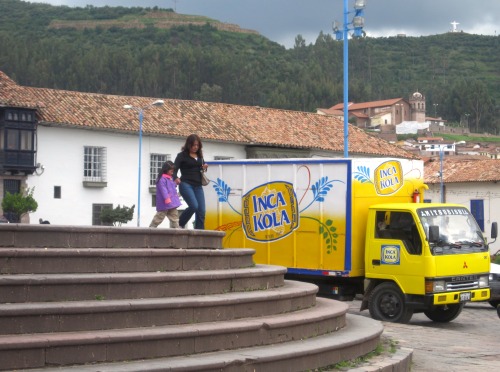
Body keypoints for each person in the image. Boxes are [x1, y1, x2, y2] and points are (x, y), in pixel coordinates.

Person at [173, 134, 208, 229]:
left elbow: (201, 169)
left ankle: (200, 233)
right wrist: (175, 177)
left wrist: (204, 167)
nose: (195, 147)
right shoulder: (182, 156)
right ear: (189, 145)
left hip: (198, 186)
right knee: (194, 206)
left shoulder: (199, 156)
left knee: (201, 211)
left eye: (197, 145)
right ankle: (180, 224)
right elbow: (174, 169)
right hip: (186, 184)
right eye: (193, 145)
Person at [149, 161, 181, 228]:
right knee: (159, 217)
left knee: (174, 217)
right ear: (166, 170)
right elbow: (164, 190)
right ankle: (151, 229)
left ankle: (176, 230)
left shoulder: (169, 178)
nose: (172, 172)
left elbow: (171, 187)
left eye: (173, 170)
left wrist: (175, 183)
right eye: (171, 170)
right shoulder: (161, 179)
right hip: (165, 203)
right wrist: (167, 198)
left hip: (171, 203)